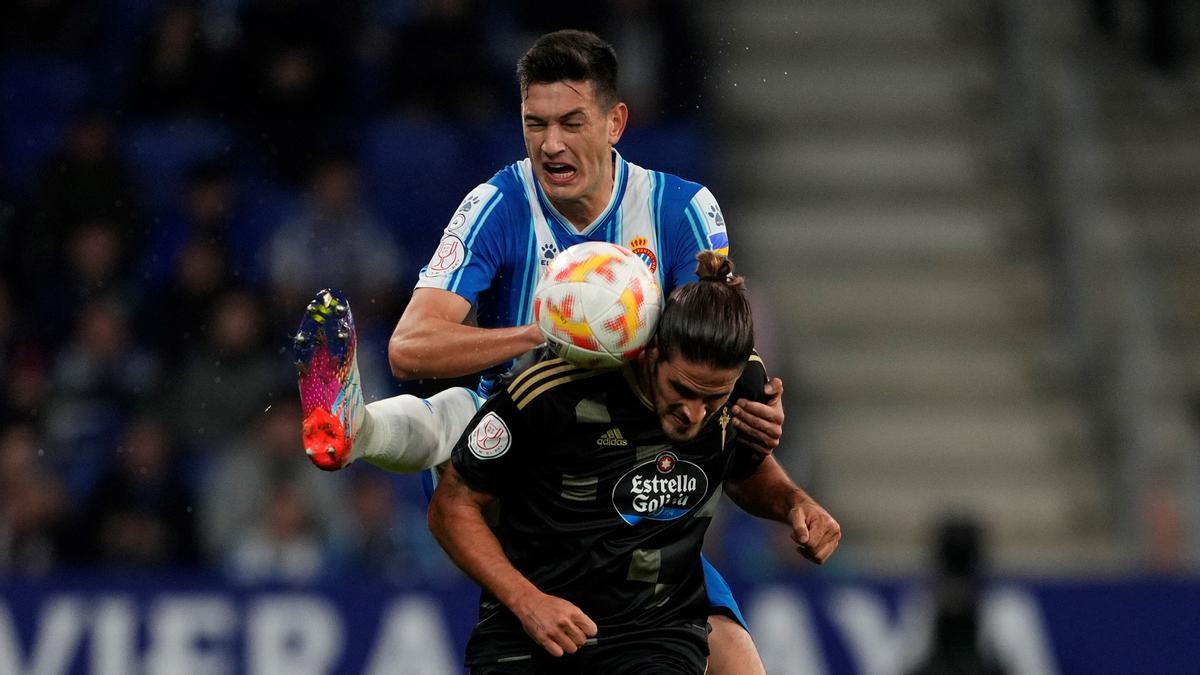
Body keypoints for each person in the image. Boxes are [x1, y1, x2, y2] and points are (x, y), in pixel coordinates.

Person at [294, 30, 786, 673]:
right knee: (461, 418)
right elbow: (410, 347)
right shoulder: (496, 205)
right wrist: (545, 334)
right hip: (523, 457)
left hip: (630, 470)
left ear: (616, 122)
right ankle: (353, 425)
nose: (550, 143)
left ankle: (364, 428)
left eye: (571, 122)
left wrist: (754, 404)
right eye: (535, 123)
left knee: (737, 662)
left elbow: (719, 337)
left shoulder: (683, 209)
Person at [428, 253, 841, 674]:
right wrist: (526, 601)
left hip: (655, 635)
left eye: (713, 399)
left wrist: (794, 504)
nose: (695, 413)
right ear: (651, 354)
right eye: (682, 389)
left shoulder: (743, 388)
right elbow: (451, 506)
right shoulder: (550, 395)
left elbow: (745, 471)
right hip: (533, 631)